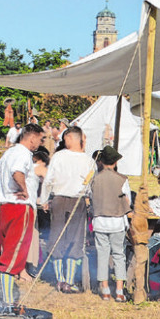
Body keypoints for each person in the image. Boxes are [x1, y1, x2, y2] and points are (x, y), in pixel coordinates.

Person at [0, 124, 45, 307]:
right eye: (40, 138)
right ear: (32, 138)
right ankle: (7, 300)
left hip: (6, 207)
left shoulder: (9, 152)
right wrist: (23, 190)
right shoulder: (22, 154)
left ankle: (8, 296)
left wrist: (5, 191)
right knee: (14, 253)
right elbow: (17, 172)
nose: (40, 142)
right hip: (21, 208)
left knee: (9, 250)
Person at [38, 127, 95, 293]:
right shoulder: (87, 160)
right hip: (74, 201)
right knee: (67, 239)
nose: (64, 142)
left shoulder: (61, 157)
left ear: (70, 138)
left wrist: (44, 200)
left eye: (65, 139)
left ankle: (63, 280)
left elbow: (48, 180)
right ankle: (65, 281)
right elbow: (91, 186)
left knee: (65, 238)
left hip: (65, 201)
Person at [89, 146, 132, 302]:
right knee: (119, 255)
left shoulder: (94, 178)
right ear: (114, 162)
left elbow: (90, 196)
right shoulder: (122, 179)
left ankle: (105, 289)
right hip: (117, 222)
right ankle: (119, 291)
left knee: (102, 255)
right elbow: (128, 201)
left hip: (100, 221)